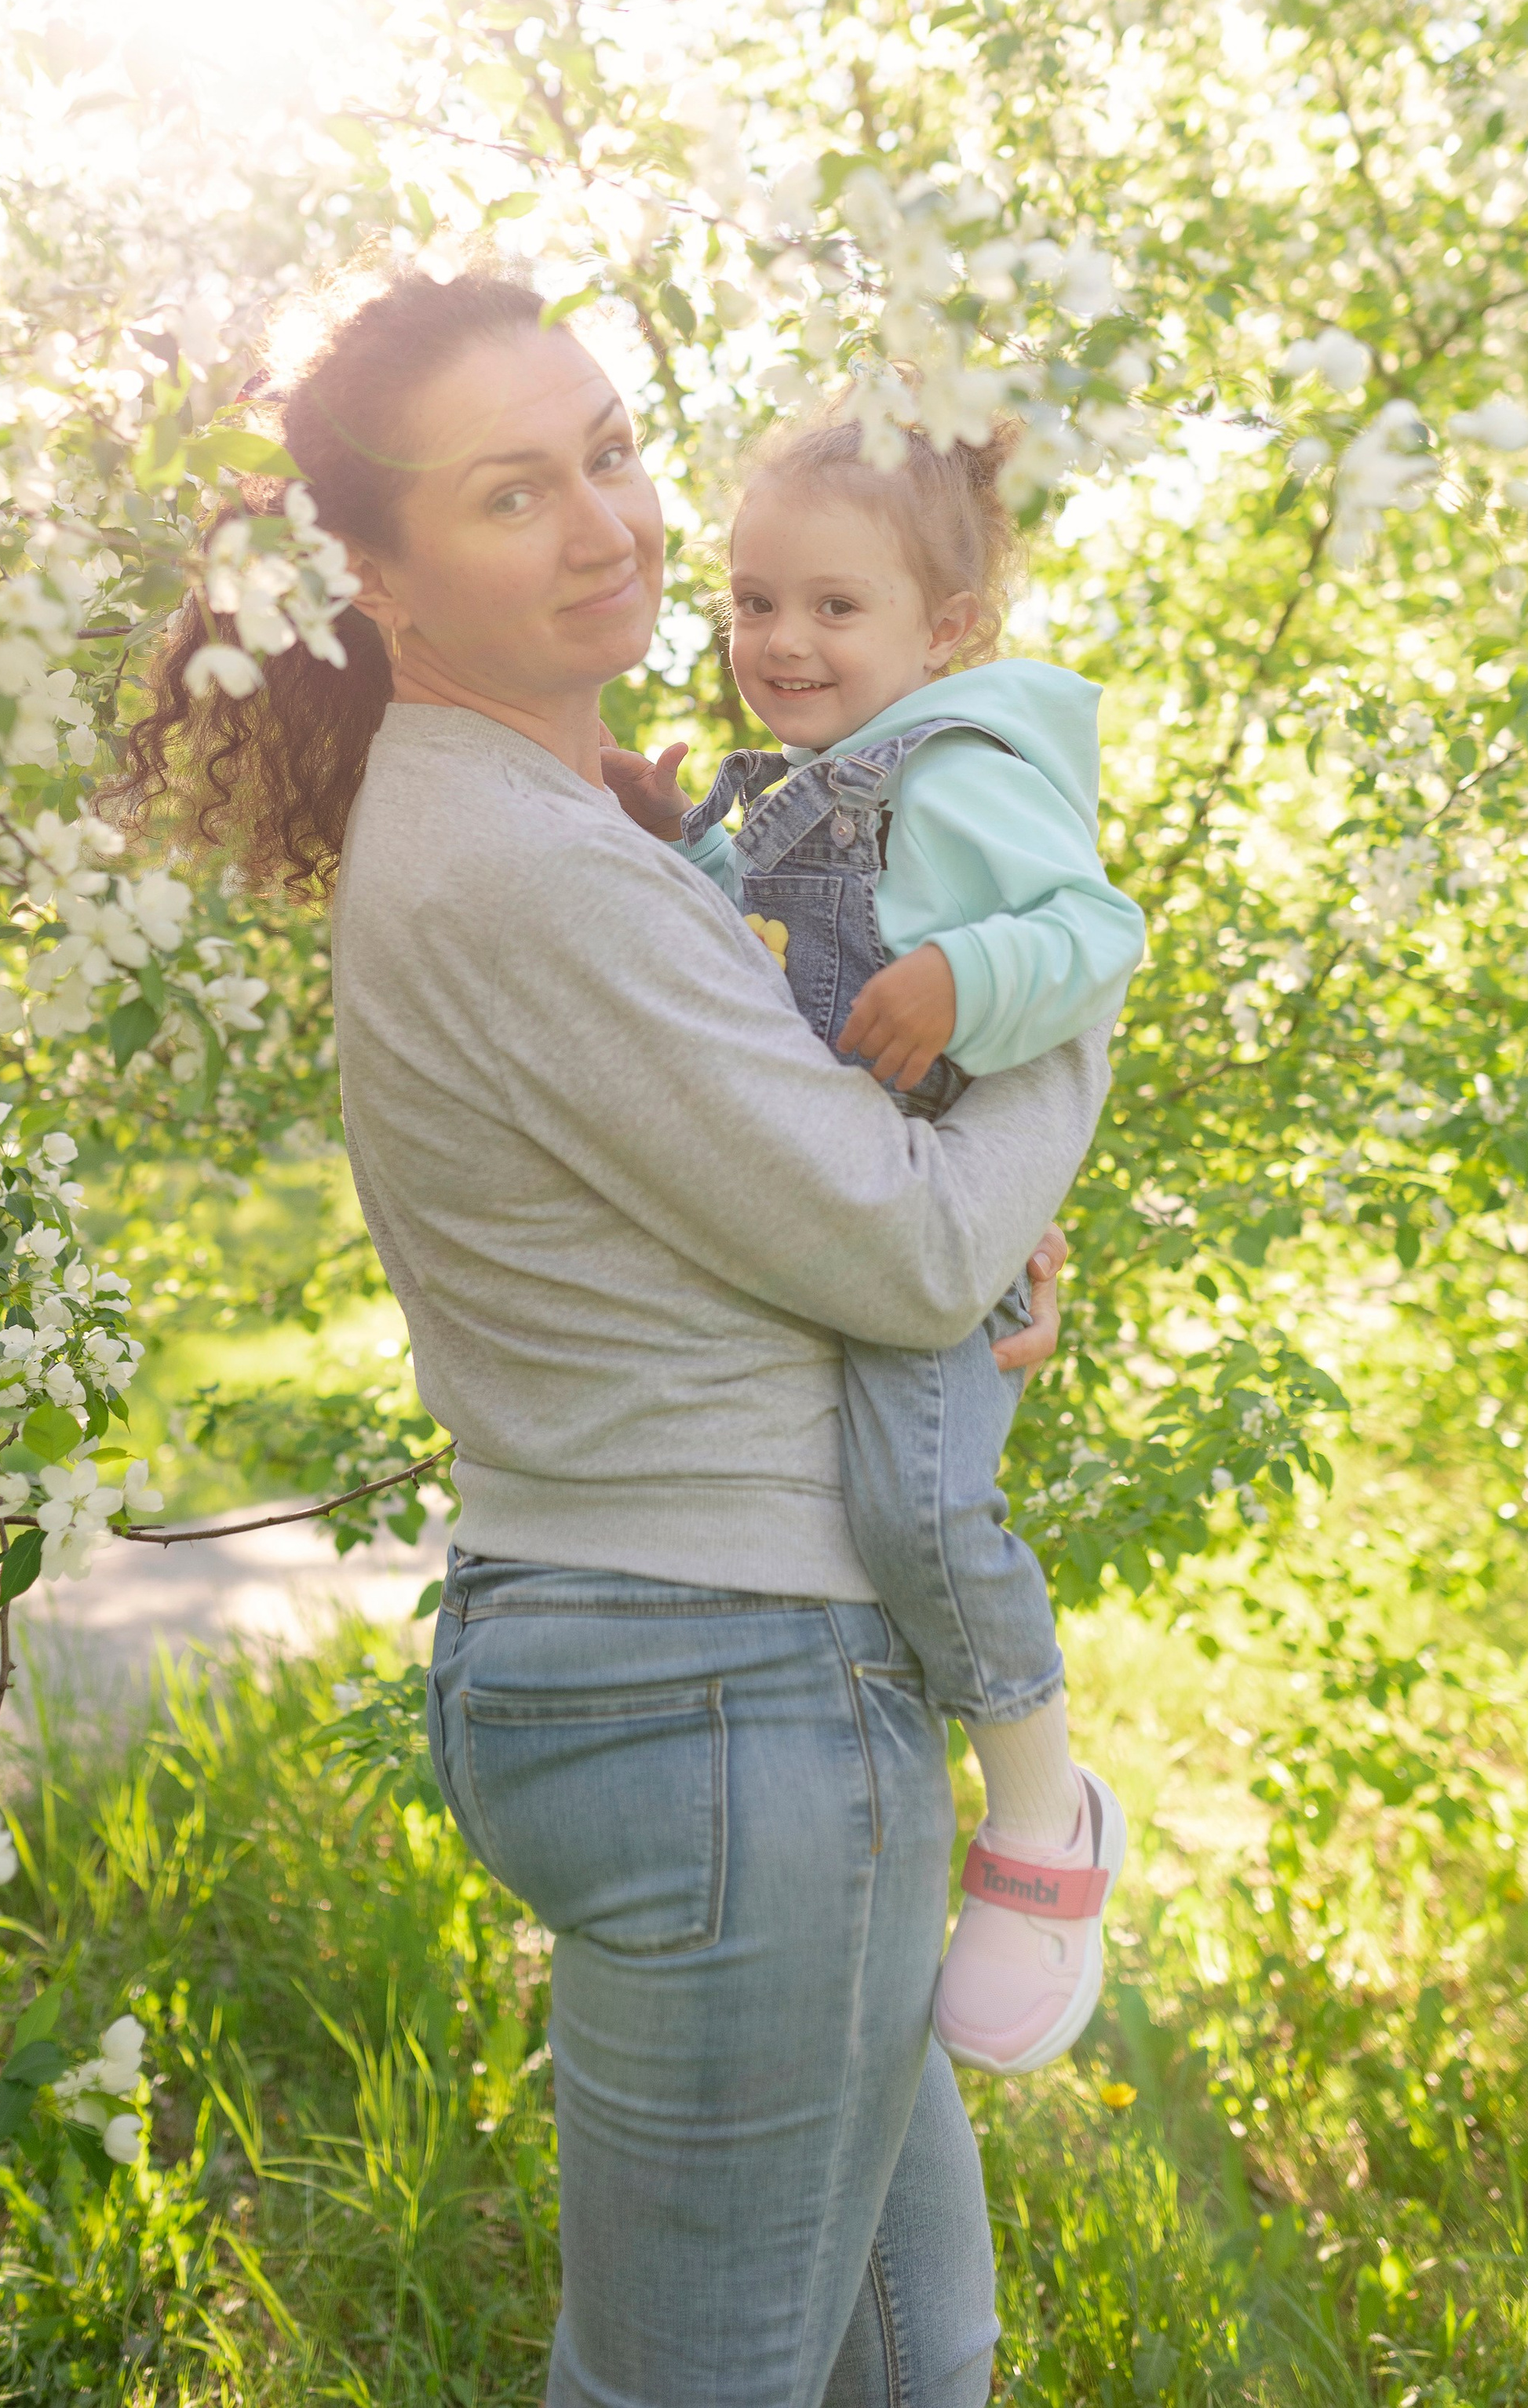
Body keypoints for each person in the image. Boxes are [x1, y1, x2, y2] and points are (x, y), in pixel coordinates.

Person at [114, 261, 1114, 2408]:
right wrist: (1065, 1001)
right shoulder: (518, 863)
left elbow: (791, 1207)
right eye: (511, 494)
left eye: (610, 450)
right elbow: (913, 1246)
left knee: (912, 2357)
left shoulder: (580, 822)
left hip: (700, 1669)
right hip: (723, 1692)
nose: (605, 525)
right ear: (377, 578)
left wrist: (961, 1239)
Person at [596, 410, 1145, 2080]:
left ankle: (1044, 1813)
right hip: (852, 1208)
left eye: (835, 607)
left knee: (920, 1511)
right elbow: (754, 958)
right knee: (860, 1518)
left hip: (923, 1229)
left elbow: (1092, 929)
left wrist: (964, 976)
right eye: (754, 601)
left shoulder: (959, 770)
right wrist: (674, 843)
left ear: (945, 628)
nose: (781, 640)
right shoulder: (815, 786)